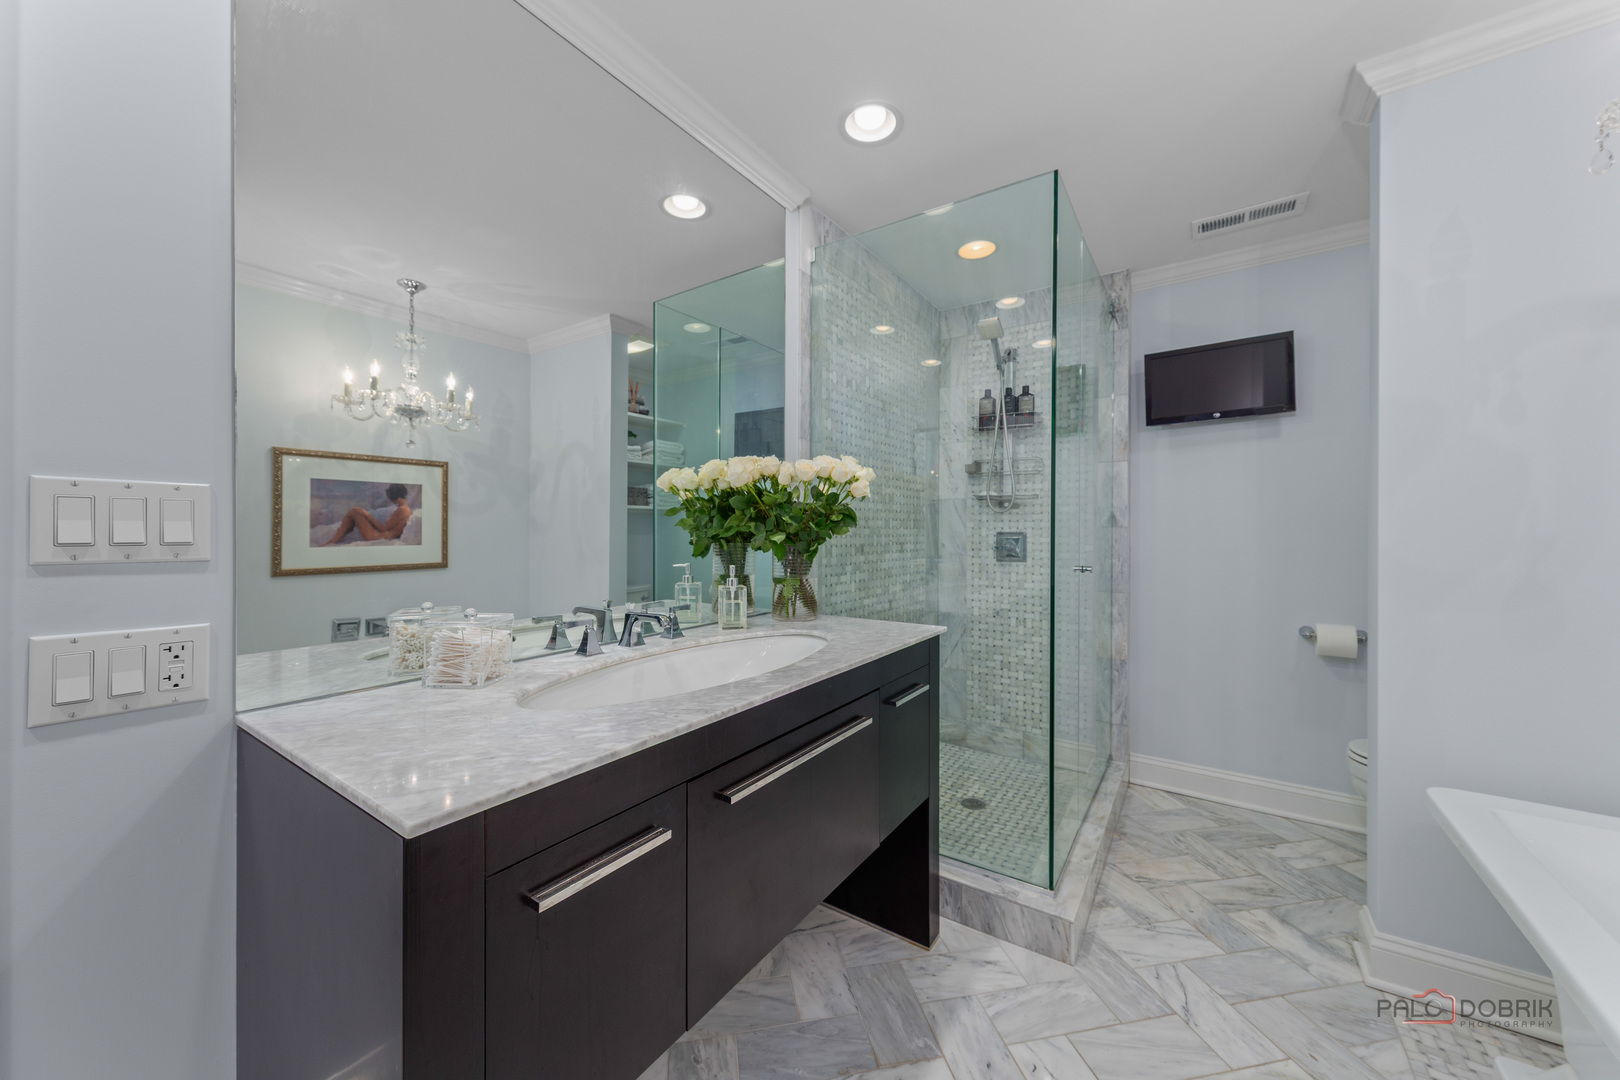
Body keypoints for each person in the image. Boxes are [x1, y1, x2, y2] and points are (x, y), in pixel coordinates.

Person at [322, 483, 413, 545]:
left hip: (377, 537)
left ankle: (332, 541)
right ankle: (334, 540)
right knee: (355, 511)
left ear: (394, 495)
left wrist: (366, 514)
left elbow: (383, 529)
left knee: (354, 511)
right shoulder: (406, 509)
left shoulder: (402, 510)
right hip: (381, 535)